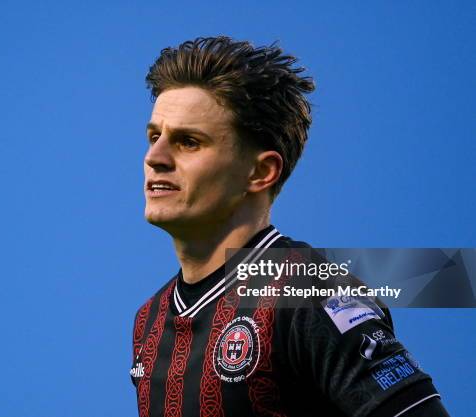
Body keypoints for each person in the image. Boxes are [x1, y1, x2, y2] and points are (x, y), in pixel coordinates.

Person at [131, 36, 450, 417]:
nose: (155, 157)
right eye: (154, 137)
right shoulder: (147, 321)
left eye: (188, 142)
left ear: (261, 172)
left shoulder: (311, 290)